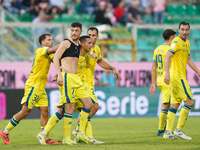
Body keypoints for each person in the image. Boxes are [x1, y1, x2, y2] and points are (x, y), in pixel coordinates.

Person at [37, 22, 93, 145]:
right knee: (69, 107)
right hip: (67, 78)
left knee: (89, 104)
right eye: (72, 30)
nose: (74, 33)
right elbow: (56, 58)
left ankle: (81, 133)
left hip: (76, 79)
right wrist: (59, 75)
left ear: (80, 32)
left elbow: (73, 59)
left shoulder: (78, 45)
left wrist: (91, 53)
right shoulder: (66, 43)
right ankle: (65, 138)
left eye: (76, 30)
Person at [0, 33, 60, 145]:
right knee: (25, 112)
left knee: (45, 112)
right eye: (48, 40)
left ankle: (45, 138)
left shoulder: (50, 54)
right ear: (43, 43)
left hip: (41, 87)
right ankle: (5, 131)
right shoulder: (41, 50)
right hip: (33, 86)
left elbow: (58, 61)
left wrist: (59, 73)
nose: (51, 41)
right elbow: (54, 50)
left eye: (52, 39)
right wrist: (65, 43)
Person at [72, 27, 121, 144]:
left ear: (97, 37)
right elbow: (71, 60)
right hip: (81, 82)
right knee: (93, 107)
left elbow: (100, 62)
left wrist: (112, 68)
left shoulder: (97, 49)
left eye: (93, 35)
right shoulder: (81, 47)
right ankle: (79, 131)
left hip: (90, 82)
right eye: (89, 35)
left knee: (85, 109)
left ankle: (81, 134)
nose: (91, 37)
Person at [164, 22, 200, 140]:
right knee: (190, 102)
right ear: (178, 30)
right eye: (182, 29)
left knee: (175, 104)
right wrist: (167, 74)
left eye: (187, 30)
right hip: (177, 77)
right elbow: (167, 56)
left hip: (178, 77)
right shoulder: (176, 42)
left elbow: (189, 59)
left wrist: (198, 72)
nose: (184, 32)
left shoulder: (187, 43)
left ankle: (168, 132)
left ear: (189, 31)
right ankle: (179, 131)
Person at [149, 29, 176, 136]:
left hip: (160, 80)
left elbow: (153, 67)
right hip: (167, 79)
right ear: (172, 37)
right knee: (167, 105)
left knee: (167, 104)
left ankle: (162, 129)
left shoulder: (157, 49)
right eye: (175, 36)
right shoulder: (171, 49)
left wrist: (153, 83)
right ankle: (161, 130)